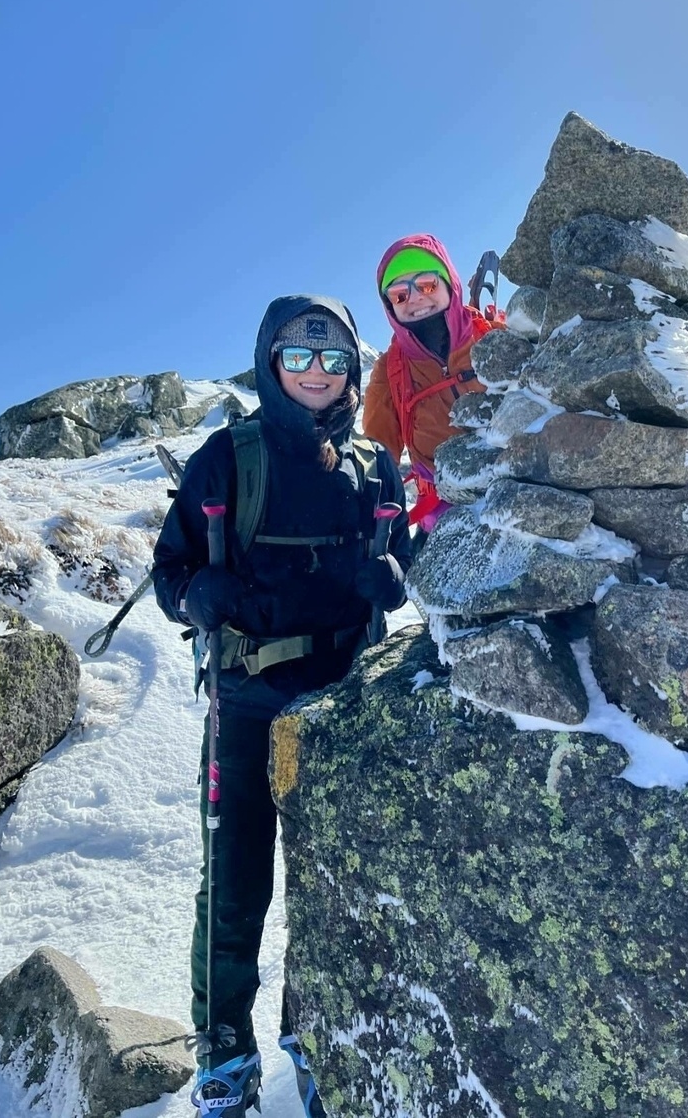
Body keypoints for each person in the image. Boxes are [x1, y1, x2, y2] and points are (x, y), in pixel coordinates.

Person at [153, 294, 411, 1115]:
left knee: (329, 884)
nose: (314, 373)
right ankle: (225, 1049)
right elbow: (171, 569)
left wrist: (398, 580)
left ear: (352, 368)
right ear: (270, 362)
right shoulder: (226, 459)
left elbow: (401, 550)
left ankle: (314, 1034)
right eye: (297, 357)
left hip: (342, 706)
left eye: (331, 358)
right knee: (234, 882)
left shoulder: (374, 466)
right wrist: (198, 595)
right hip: (247, 701)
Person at [362, 233, 500, 549]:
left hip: (513, 496)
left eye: (426, 285)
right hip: (442, 518)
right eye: (399, 294)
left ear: (448, 283)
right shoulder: (389, 371)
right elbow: (377, 459)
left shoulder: (492, 337)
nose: (415, 298)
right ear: (389, 305)